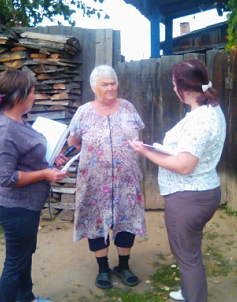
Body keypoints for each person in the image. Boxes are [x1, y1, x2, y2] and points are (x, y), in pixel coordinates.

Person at [128, 59, 226, 302]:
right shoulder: (209, 108)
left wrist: (147, 152)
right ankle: (189, 291)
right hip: (200, 192)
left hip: (189, 197)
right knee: (188, 251)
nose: (173, 89)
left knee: (187, 255)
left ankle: (194, 297)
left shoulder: (200, 119)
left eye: (174, 85)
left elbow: (184, 166)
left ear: (184, 87)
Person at [55, 65, 146, 290]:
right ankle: (103, 268)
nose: (110, 87)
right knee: (95, 221)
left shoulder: (128, 108)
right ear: (94, 87)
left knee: (126, 221)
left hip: (126, 180)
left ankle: (123, 266)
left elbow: (137, 138)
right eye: (104, 84)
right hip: (94, 182)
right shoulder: (84, 112)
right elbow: (73, 143)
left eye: (113, 83)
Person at [0, 69, 67, 302]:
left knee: (24, 256)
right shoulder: (4, 130)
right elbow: (6, 177)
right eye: (33, 92)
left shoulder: (18, 121)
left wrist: (50, 159)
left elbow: (27, 156)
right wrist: (44, 173)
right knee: (15, 263)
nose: (35, 96)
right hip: (15, 208)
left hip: (27, 206)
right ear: (20, 96)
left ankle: (27, 298)